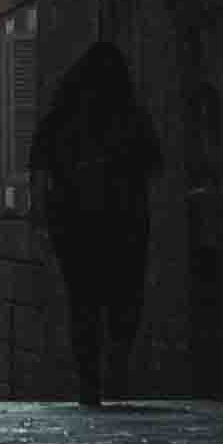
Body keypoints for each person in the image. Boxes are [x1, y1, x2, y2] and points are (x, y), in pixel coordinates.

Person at [29, 38, 162, 410]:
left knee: (82, 304)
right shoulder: (130, 116)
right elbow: (153, 163)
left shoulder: (63, 115)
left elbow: (40, 165)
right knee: (124, 297)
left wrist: (45, 216)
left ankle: (90, 381)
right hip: (124, 224)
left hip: (74, 227)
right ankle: (117, 367)